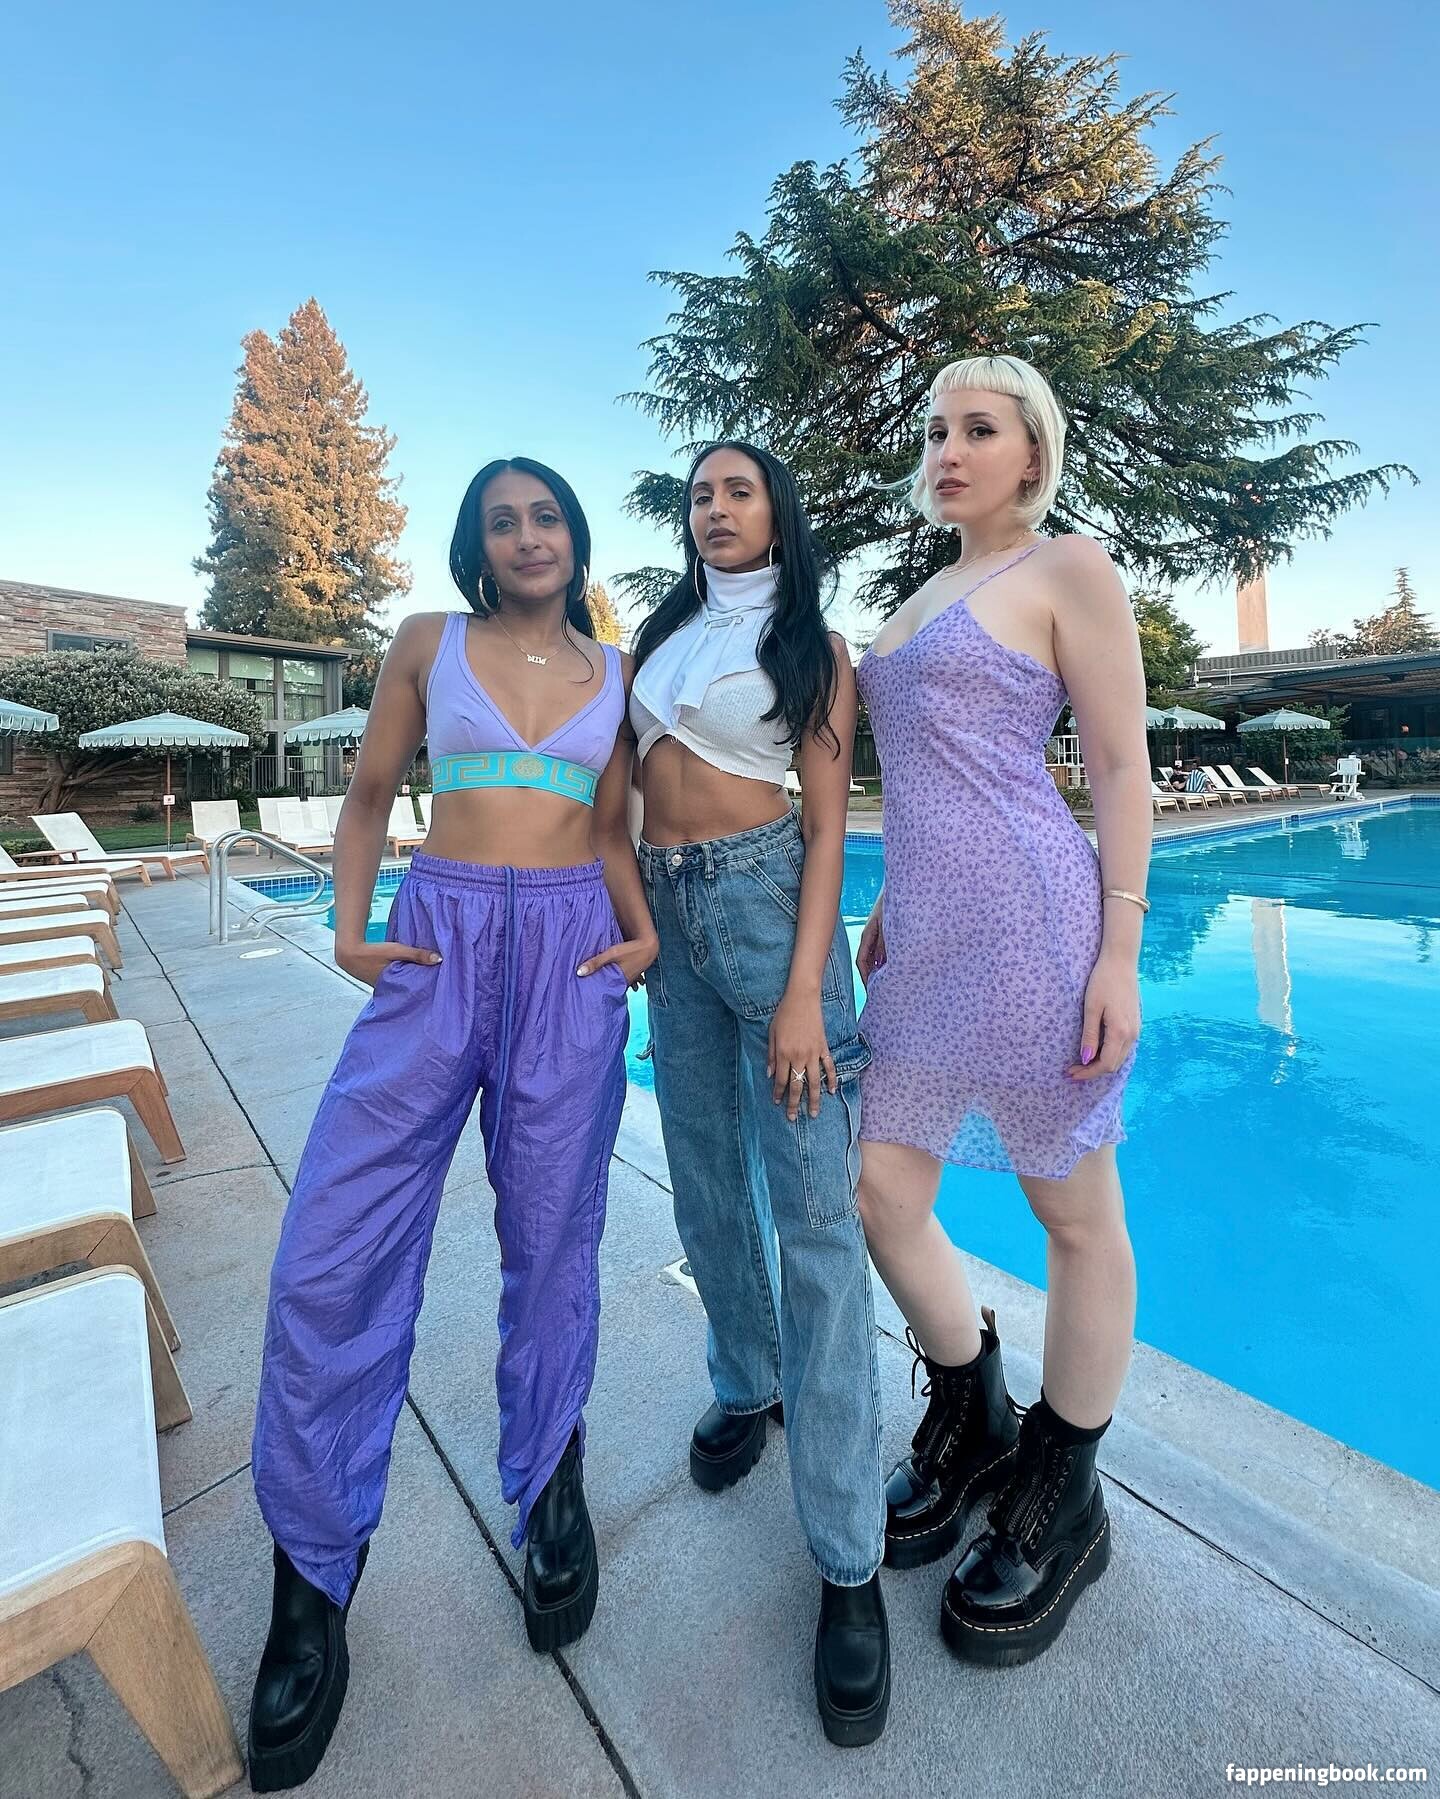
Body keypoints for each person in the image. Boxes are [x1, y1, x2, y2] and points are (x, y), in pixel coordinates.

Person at [246, 458, 655, 1791]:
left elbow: (612, 831)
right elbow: (370, 796)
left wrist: (641, 933)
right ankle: (312, 1567)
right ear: (478, 546)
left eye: (547, 517)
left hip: (572, 956)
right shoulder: (429, 642)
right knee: (335, 1245)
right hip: (440, 942)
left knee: (554, 1236)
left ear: (574, 538)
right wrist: (348, 929)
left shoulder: (617, 674)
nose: (528, 536)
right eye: (503, 521)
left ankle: (551, 1475)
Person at [854, 354, 1149, 1668]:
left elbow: (1121, 765)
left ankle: (1064, 1485)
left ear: (1035, 453)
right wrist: (886, 897)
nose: (950, 450)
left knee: (1073, 1213)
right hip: (922, 939)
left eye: (981, 428)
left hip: (1037, 928)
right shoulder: (920, 596)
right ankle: (976, 1412)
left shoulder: (1067, 568)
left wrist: (1120, 950)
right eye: (938, 430)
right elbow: (930, 772)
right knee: (879, 1189)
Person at [630, 442, 889, 1746]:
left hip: (768, 906)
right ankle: (748, 1381)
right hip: (669, 923)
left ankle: (848, 1560)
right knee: (703, 1191)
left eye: (739, 491)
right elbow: (618, 788)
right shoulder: (660, 639)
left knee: (818, 1228)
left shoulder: (812, 649)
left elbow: (830, 825)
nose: (716, 509)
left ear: (777, 513)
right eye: (700, 495)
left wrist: (802, 993)